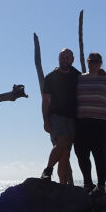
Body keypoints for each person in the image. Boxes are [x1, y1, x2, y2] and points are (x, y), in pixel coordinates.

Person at [74, 52, 106, 194]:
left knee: (100, 152)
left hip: (103, 122)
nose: (94, 63)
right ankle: (88, 183)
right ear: (87, 62)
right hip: (82, 122)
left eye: (97, 61)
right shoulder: (79, 79)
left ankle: (101, 185)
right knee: (81, 152)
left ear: (101, 63)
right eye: (91, 61)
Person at [41, 48, 80, 184]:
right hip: (56, 117)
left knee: (65, 155)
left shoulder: (77, 75)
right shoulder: (50, 77)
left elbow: (92, 80)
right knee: (62, 141)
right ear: (58, 59)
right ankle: (48, 170)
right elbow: (45, 102)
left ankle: (63, 187)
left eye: (68, 57)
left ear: (72, 59)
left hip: (73, 118)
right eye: (62, 57)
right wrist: (46, 121)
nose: (65, 59)